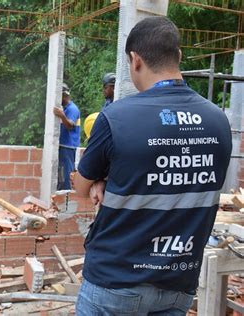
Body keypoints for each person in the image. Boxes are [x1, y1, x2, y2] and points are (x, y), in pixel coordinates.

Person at [74, 17, 232, 315]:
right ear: (179, 56)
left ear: (135, 60)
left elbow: (81, 186)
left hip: (115, 281)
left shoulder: (117, 118)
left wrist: (99, 179)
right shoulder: (218, 121)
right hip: (178, 282)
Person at [53, 83, 81, 190]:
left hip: (68, 147)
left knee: (66, 174)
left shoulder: (72, 109)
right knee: (61, 174)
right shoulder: (64, 109)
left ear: (64, 95)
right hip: (63, 146)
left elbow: (70, 126)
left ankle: (66, 198)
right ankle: (61, 194)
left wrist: (62, 115)